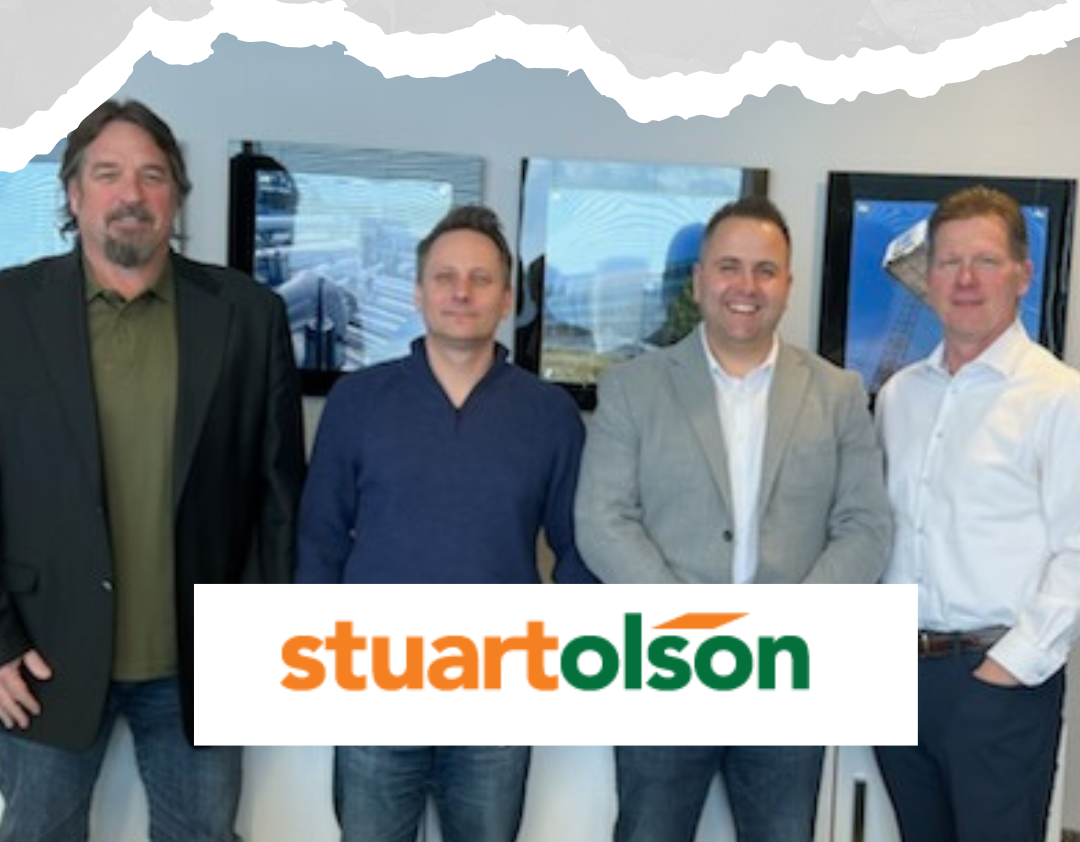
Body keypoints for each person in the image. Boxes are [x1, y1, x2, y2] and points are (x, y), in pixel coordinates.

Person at [0, 100, 305, 842]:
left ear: (177, 194)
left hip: (202, 663)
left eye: (152, 175)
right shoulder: (7, 311)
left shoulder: (249, 315)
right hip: (42, 655)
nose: (130, 194)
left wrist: (262, 640)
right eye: (107, 174)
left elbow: (277, 497)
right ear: (74, 194)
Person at [575, 194, 891, 842]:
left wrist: (785, 630)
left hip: (788, 671)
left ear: (787, 285)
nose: (746, 286)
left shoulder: (836, 393)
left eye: (765, 270)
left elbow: (866, 526)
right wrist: (695, 630)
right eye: (729, 267)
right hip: (666, 665)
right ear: (698, 280)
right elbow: (603, 519)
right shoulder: (633, 386)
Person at [296, 204, 594, 842]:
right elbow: (319, 540)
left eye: (481, 279)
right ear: (418, 291)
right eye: (445, 277)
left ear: (507, 299)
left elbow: (579, 551)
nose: (462, 292)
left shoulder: (549, 414)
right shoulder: (358, 401)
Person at [875, 186, 1080, 842]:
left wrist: (1009, 668)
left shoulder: (1060, 398)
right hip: (898, 677)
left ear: (1023, 274)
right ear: (928, 277)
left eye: (986, 261)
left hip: (996, 680)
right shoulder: (899, 396)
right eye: (949, 261)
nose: (965, 279)